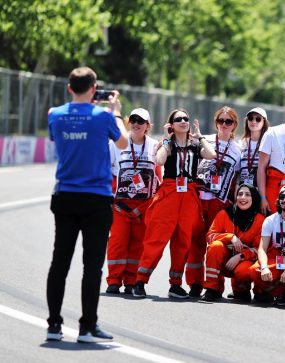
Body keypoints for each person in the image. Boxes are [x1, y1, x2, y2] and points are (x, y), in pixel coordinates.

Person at [46, 66, 128, 342]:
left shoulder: (55, 115)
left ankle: (54, 325)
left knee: (60, 262)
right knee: (92, 265)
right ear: (94, 89)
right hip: (96, 197)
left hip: (65, 195)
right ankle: (87, 326)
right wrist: (116, 111)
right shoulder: (104, 116)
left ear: (70, 88)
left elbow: (56, 138)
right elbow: (124, 142)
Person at [132, 108, 215, 298]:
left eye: (186, 118)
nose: (184, 121)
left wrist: (200, 137)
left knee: (183, 242)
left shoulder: (195, 145)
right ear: (172, 125)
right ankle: (140, 281)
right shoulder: (167, 144)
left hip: (189, 194)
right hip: (169, 193)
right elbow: (159, 161)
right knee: (156, 239)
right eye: (179, 119)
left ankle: (175, 284)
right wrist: (166, 139)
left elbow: (211, 155)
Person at [106, 108, 161, 296]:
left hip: (143, 207)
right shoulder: (117, 143)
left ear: (148, 126)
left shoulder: (154, 146)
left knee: (138, 244)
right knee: (117, 243)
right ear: (129, 122)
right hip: (119, 205)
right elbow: (105, 172)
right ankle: (114, 280)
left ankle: (131, 280)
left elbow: (158, 180)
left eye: (141, 121)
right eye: (133, 120)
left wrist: (146, 206)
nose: (136, 124)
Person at [188, 106, 242, 297]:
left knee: (216, 245)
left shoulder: (238, 151)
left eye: (229, 122)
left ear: (235, 125)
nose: (224, 125)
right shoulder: (205, 140)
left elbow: (237, 180)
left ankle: (214, 286)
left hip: (220, 202)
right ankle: (194, 283)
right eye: (221, 121)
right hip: (199, 198)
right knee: (195, 243)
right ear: (216, 122)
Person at [201, 184, 265, 302]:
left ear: (254, 198)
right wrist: (230, 237)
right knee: (215, 246)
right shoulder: (224, 214)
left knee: (243, 272)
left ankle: (241, 290)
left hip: (243, 261)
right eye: (240, 194)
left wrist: (241, 256)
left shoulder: (260, 220)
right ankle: (212, 289)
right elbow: (210, 236)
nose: (242, 198)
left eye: (247, 195)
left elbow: (259, 250)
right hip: (224, 260)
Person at [239, 107, 270, 188]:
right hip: (243, 190)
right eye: (250, 118)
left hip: (260, 189)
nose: (253, 121)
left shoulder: (269, 142)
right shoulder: (241, 142)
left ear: (264, 122)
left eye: (258, 119)